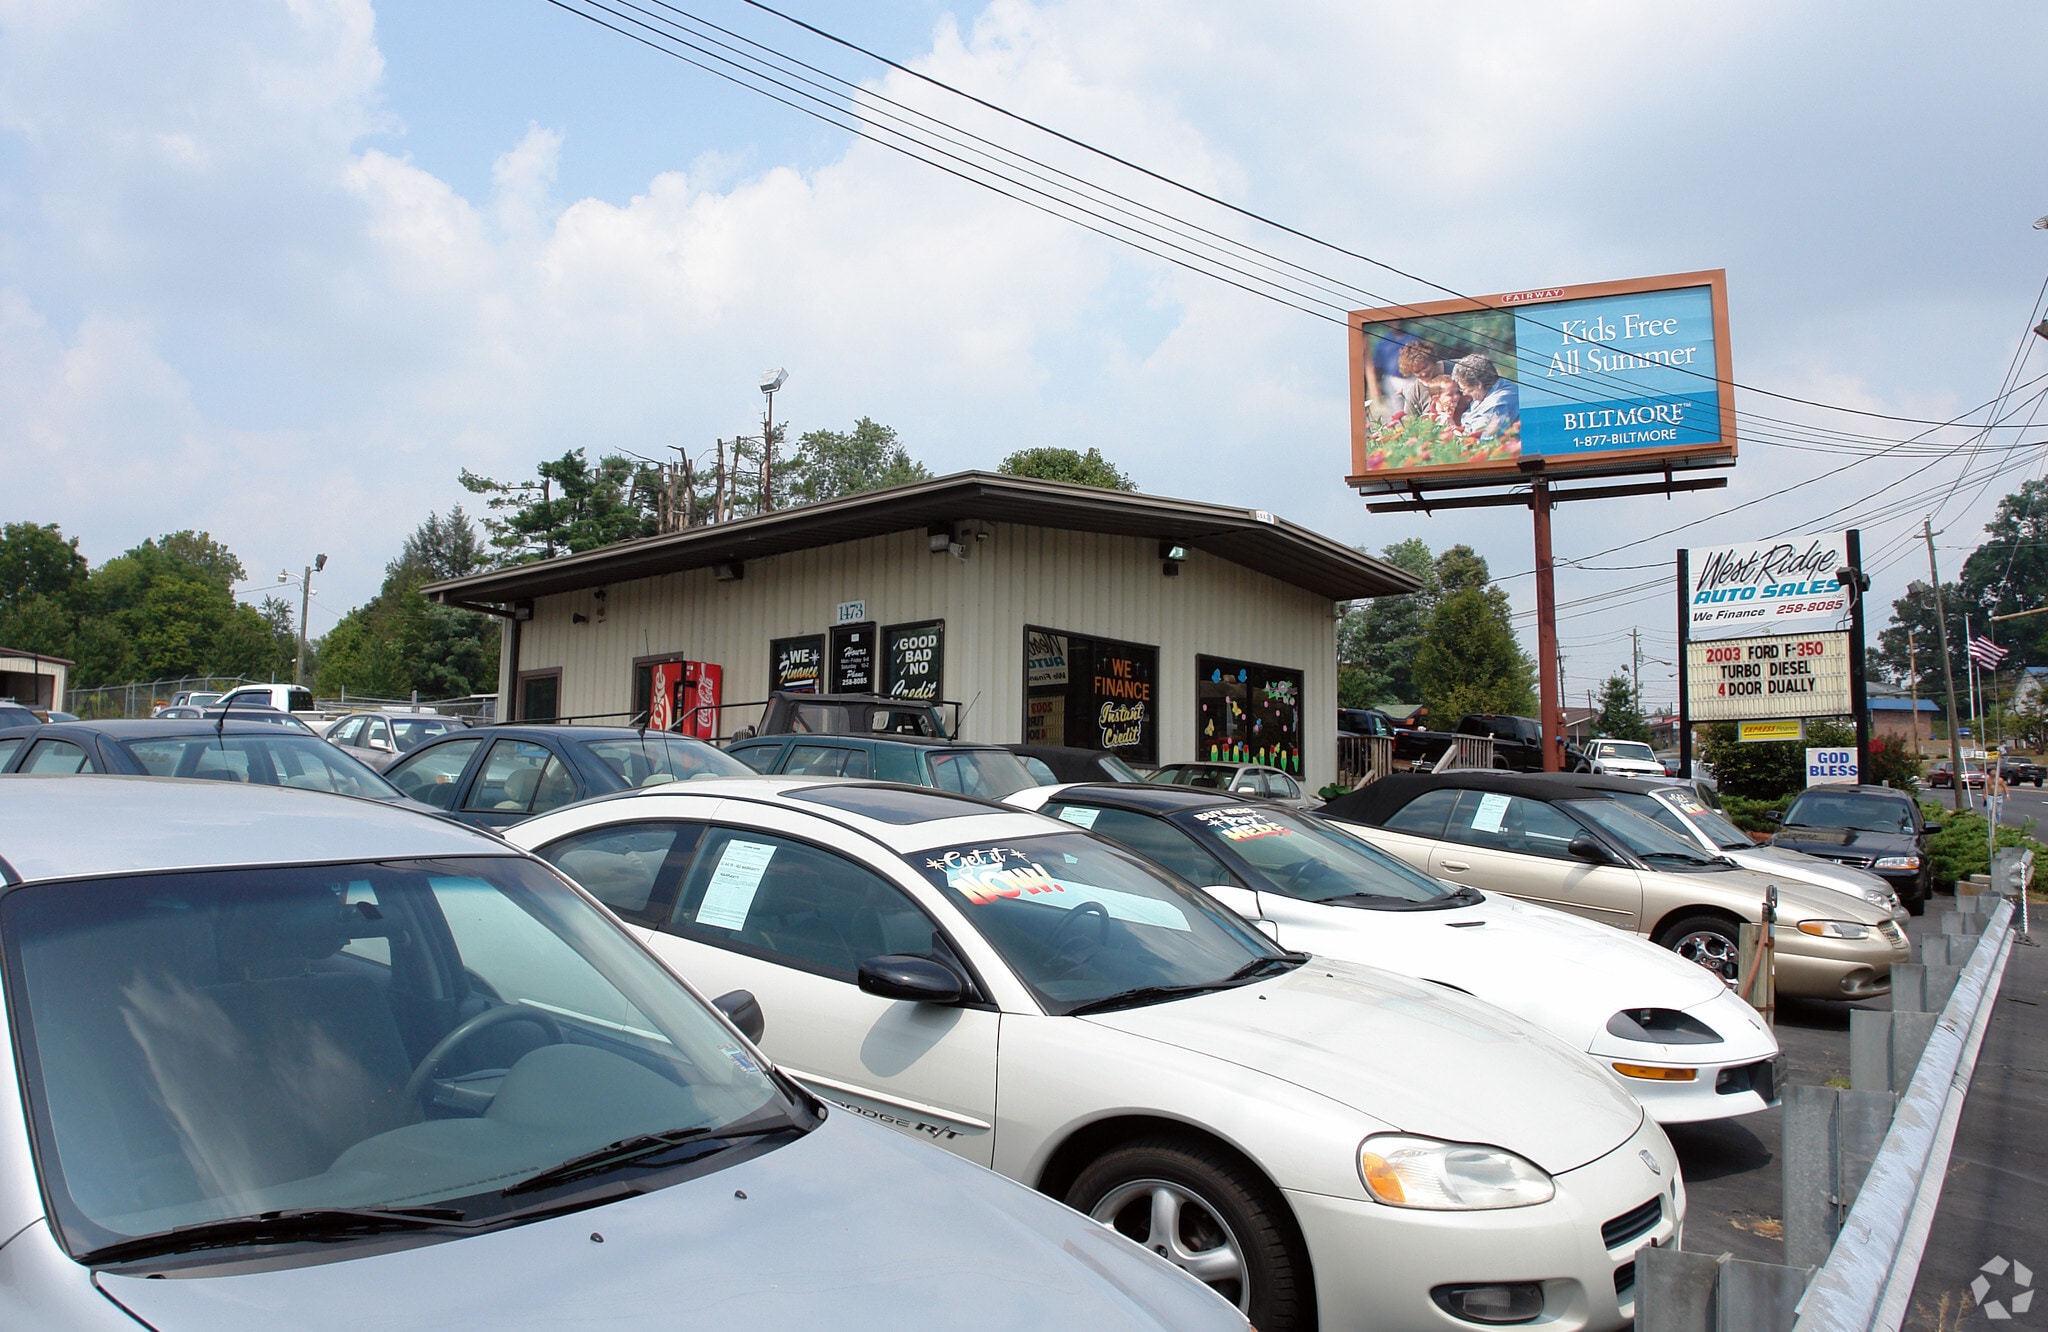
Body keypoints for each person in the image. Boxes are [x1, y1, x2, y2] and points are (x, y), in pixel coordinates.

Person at [1451, 354, 1521, 440]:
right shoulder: (1488, 391)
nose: (1464, 394)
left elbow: (1484, 441)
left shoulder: (1497, 404)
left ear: (1479, 385)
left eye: (1465, 389)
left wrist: (1454, 429)